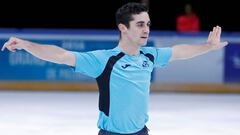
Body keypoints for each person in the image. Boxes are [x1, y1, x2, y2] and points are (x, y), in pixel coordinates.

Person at [1, 2, 228, 135]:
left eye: (148, 24)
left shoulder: (150, 55)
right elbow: (61, 55)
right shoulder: (104, 59)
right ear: (123, 28)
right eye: (140, 24)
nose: (146, 29)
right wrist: (26, 45)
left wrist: (208, 46)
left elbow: (180, 52)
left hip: (142, 132)